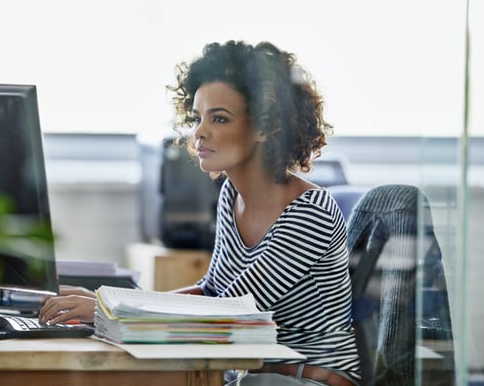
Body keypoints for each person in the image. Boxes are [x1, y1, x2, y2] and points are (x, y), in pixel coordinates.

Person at [39, 40, 361, 386]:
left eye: (219, 118)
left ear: (266, 127)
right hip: (251, 374)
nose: (199, 132)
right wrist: (110, 304)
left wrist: (110, 310)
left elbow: (232, 312)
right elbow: (211, 293)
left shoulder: (310, 211)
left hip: (309, 380)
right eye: (197, 117)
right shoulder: (231, 194)